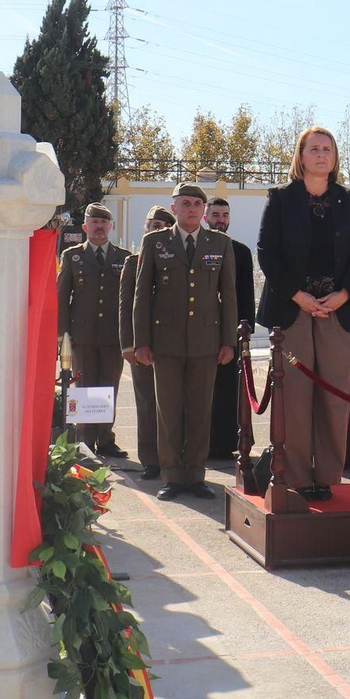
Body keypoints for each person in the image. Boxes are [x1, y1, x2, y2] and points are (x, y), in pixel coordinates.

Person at [257, 127, 350, 501]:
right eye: (314, 149)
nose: (321, 154)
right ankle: (296, 476)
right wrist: (296, 295)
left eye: (328, 149)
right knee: (296, 396)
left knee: (334, 397)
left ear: (335, 157)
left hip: (337, 311)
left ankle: (326, 476)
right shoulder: (280, 199)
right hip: (293, 310)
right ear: (301, 156)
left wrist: (344, 294)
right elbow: (267, 252)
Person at [132, 183, 237, 500]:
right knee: (168, 411)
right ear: (174, 207)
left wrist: (228, 341)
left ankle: (195, 475)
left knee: (199, 411)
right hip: (166, 342)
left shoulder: (219, 244)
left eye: (197, 204)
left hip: (206, 342)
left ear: (204, 211)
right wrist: (141, 341)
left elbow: (228, 296)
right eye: (185, 203)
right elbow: (142, 295)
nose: (192, 209)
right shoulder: (155, 243)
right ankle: (172, 475)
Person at [56, 202, 131, 458]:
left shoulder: (124, 257)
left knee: (109, 385)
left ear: (110, 226)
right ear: (86, 226)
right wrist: (62, 337)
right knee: (85, 386)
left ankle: (106, 439)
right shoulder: (72, 256)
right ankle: (85, 439)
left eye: (104, 222)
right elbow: (62, 297)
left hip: (113, 335)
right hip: (82, 335)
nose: (99, 227)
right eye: (94, 223)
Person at [120, 204, 175, 480]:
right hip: (143, 344)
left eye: (163, 227)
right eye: (153, 226)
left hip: (172, 345)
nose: (157, 231)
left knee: (173, 404)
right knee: (146, 402)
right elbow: (126, 305)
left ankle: (171, 458)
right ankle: (150, 459)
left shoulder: (179, 262)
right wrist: (128, 345)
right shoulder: (134, 262)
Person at [205, 196, 257, 461]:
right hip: (202, 331)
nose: (220, 220)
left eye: (224, 215)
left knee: (228, 391)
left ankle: (227, 443)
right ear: (206, 217)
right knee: (202, 390)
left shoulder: (241, 251)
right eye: (215, 215)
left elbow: (246, 293)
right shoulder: (197, 247)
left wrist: (246, 330)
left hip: (232, 333)